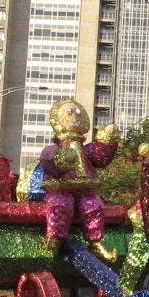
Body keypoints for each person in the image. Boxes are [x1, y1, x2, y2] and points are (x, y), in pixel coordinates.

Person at [40, 99, 119, 262]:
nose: (75, 115)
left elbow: (99, 157)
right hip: (61, 188)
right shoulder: (56, 148)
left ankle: (96, 242)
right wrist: (62, 159)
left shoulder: (86, 149)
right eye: (69, 113)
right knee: (60, 205)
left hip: (87, 189)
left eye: (77, 112)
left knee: (94, 207)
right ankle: (54, 239)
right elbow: (48, 160)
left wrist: (107, 141)